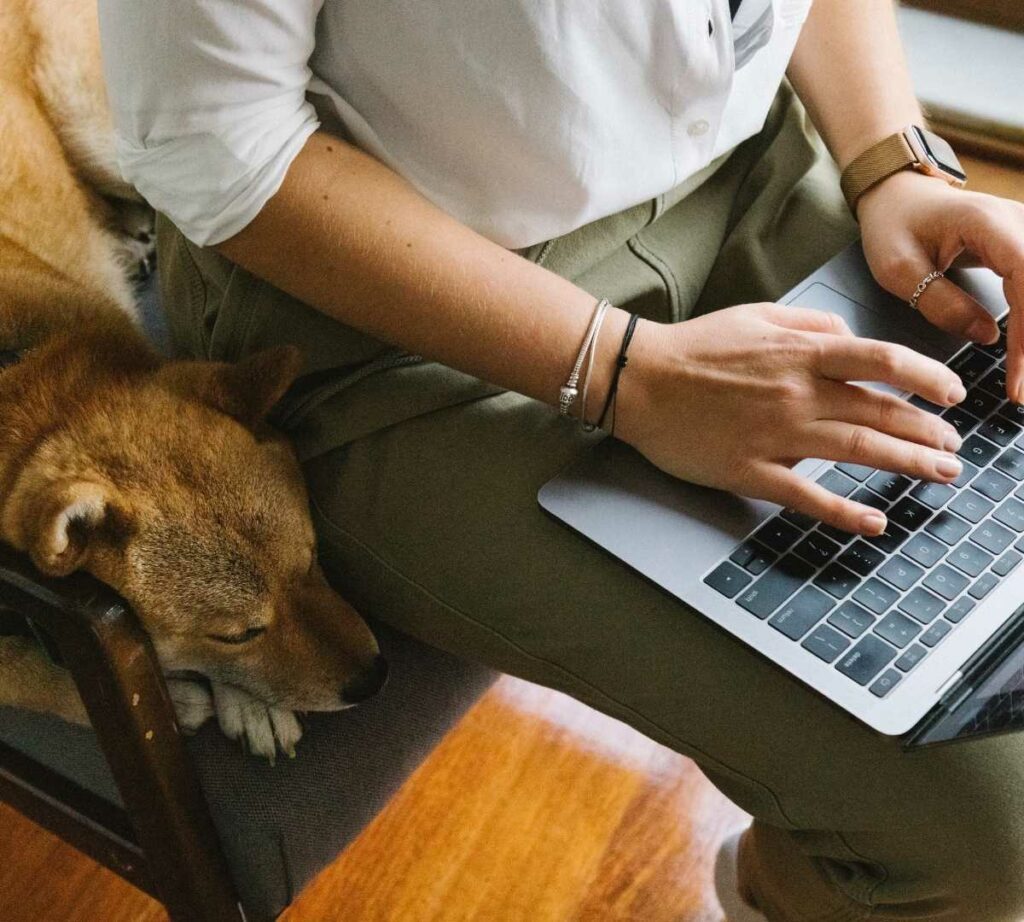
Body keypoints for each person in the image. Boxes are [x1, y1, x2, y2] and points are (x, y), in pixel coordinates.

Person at [98, 1, 1024, 918]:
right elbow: (213, 139)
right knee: (994, 835)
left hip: (747, 162)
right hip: (401, 322)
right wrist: (634, 378)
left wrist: (895, 165)